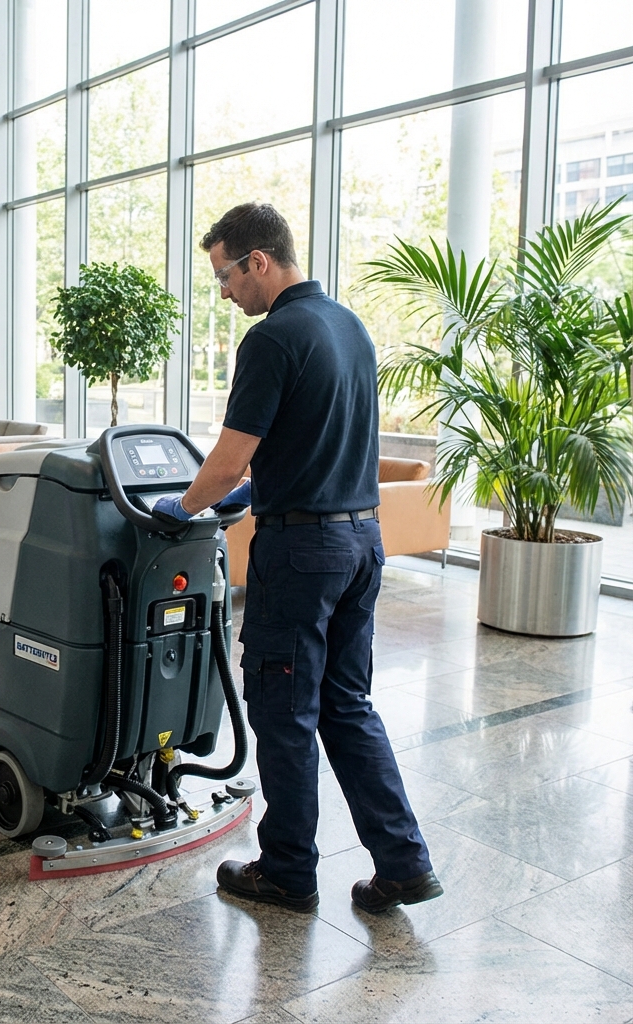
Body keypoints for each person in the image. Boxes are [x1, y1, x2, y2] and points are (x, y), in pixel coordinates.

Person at [153, 202, 442, 914]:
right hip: (359, 542)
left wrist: (183, 507)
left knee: (282, 708)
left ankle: (285, 870)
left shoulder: (273, 338)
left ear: (259, 261)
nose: (223, 292)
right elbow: (323, 437)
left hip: (303, 552)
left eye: (225, 276)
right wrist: (264, 486)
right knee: (346, 704)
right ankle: (404, 863)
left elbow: (224, 460)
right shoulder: (349, 327)